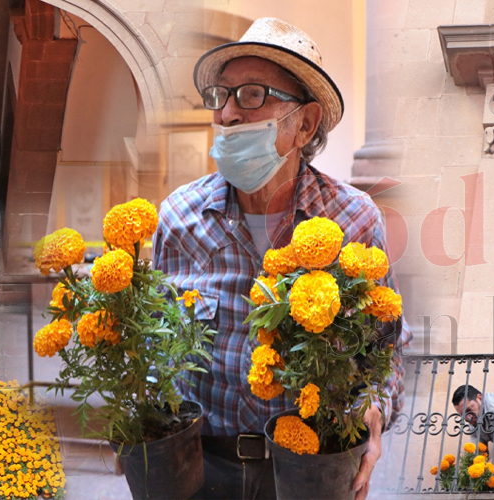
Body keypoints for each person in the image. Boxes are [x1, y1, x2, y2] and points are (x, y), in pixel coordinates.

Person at [153, 17, 411, 500]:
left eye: (252, 95)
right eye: (221, 96)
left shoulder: (353, 220)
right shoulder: (179, 219)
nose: (227, 114)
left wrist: (375, 413)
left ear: (305, 124)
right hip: (201, 470)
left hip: (312, 472)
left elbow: (387, 344)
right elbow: (156, 346)